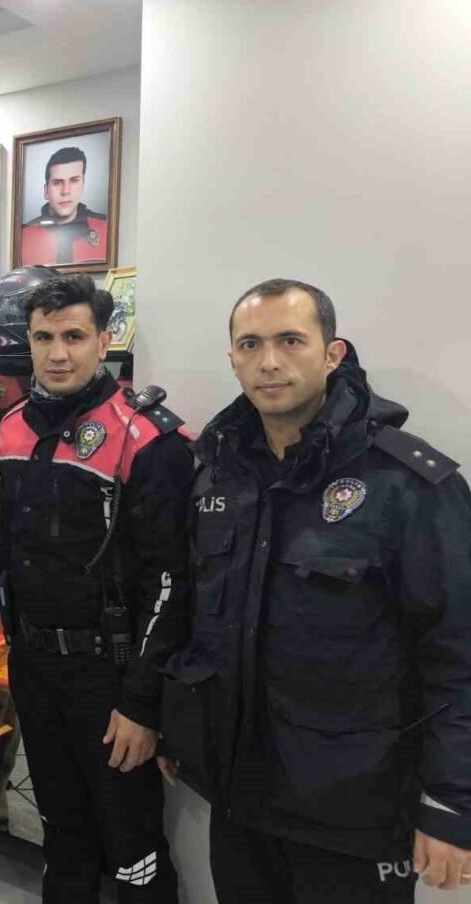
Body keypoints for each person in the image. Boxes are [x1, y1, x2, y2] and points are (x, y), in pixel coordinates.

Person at [159, 279, 471, 903]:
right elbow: (197, 617)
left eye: (291, 341)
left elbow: (458, 653)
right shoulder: (217, 474)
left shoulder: (407, 484)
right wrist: (178, 725)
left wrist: (450, 802)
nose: (269, 361)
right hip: (240, 796)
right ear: (233, 359)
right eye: (251, 344)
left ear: (332, 354)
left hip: (354, 811)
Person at [0, 275, 194, 903]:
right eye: (44, 338)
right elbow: (6, 542)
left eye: (74, 336)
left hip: (110, 679)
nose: (57, 353)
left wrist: (142, 704)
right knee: (61, 832)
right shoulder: (12, 427)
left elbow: (170, 582)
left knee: (133, 845)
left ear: (104, 341)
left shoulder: (148, 438)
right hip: (33, 666)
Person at [20, 146, 109, 268]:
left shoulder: (106, 226)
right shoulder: (23, 235)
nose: (66, 191)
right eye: (57, 183)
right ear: (46, 191)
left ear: (83, 185)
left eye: (74, 181)